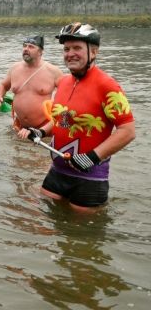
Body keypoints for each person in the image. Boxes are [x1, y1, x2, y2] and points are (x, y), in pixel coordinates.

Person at [18, 23, 135, 213]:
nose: (70, 53)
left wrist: (92, 157)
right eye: (66, 49)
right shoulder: (63, 82)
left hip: (89, 179)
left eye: (77, 48)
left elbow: (128, 131)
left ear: (94, 52)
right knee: (47, 225)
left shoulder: (108, 86)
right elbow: (61, 120)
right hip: (57, 172)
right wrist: (40, 131)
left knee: (81, 238)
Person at [0, 35, 63, 130]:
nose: (26, 49)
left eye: (31, 46)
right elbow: (3, 85)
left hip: (44, 128)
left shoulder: (53, 71)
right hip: (19, 126)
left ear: (40, 52)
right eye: (24, 46)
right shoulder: (14, 68)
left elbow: (67, 94)